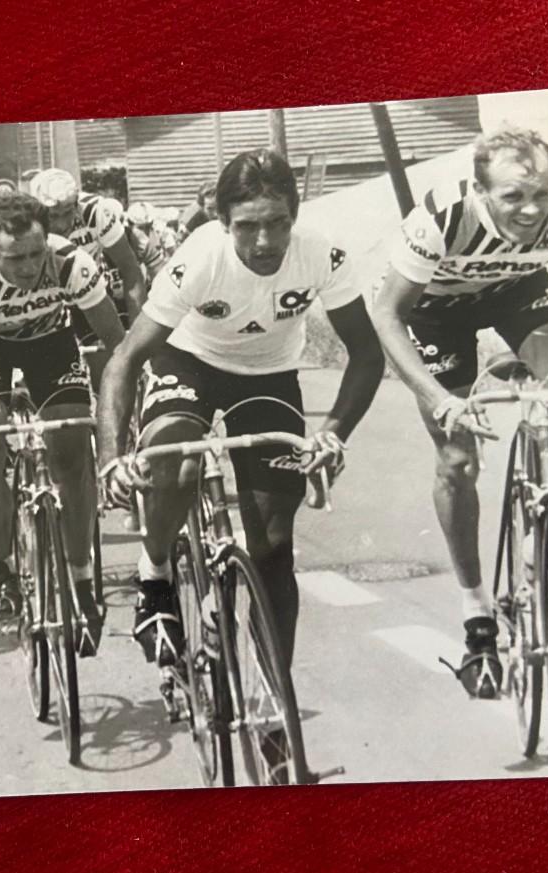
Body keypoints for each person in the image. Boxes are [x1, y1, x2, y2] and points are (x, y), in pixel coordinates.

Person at [368, 125, 548, 698]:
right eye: (513, 197)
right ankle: (476, 614)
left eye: (542, 193)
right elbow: (386, 315)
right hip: (435, 313)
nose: (531, 210)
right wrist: (440, 399)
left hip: (519, 291)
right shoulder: (440, 219)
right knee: (456, 461)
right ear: (481, 192)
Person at [97, 149, 384, 687]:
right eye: (248, 226)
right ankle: (155, 571)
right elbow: (126, 359)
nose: (264, 242)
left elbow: (367, 355)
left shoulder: (321, 253)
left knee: (274, 542)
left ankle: (275, 704)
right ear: (223, 223)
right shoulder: (200, 258)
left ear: (294, 218)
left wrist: (333, 433)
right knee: (177, 460)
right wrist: (112, 456)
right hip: (189, 362)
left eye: (278, 224)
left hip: (268, 376)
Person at [0, 192, 124, 655]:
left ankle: (79, 577)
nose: (29, 266)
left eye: (36, 253)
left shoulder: (71, 263)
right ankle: (0, 572)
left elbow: (116, 342)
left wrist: (115, 418)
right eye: (15, 258)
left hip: (51, 345)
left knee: (73, 445)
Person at [28, 167, 147, 342]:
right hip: (46, 299)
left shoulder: (96, 211)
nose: (61, 225)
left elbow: (130, 269)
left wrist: (138, 340)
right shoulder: (27, 218)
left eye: (68, 212)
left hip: (91, 290)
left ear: (76, 202)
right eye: (53, 216)